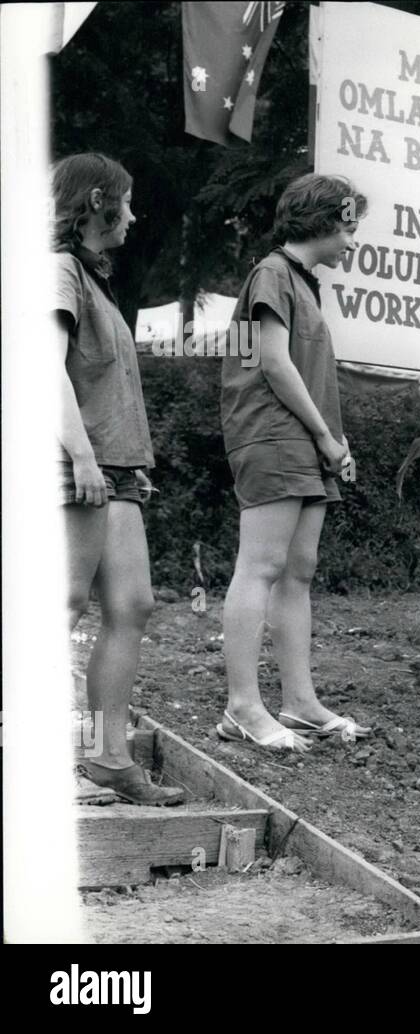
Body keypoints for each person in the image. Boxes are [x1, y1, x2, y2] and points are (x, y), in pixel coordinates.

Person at [217, 174, 371, 752]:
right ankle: (242, 708)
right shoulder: (273, 273)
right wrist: (326, 436)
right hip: (274, 437)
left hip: (306, 444)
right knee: (259, 566)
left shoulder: (305, 285)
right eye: (351, 224)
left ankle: (299, 703)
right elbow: (276, 365)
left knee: (298, 570)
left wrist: (333, 439)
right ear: (325, 219)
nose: (353, 239)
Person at [54, 153, 183, 805]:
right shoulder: (60, 272)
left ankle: (107, 759)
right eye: (126, 203)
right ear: (95, 206)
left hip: (117, 474)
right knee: (61, 610)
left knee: (131, 607)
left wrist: (128, 464)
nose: (134, 215)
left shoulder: (97, 285)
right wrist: (79, 456)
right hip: (75, 466)